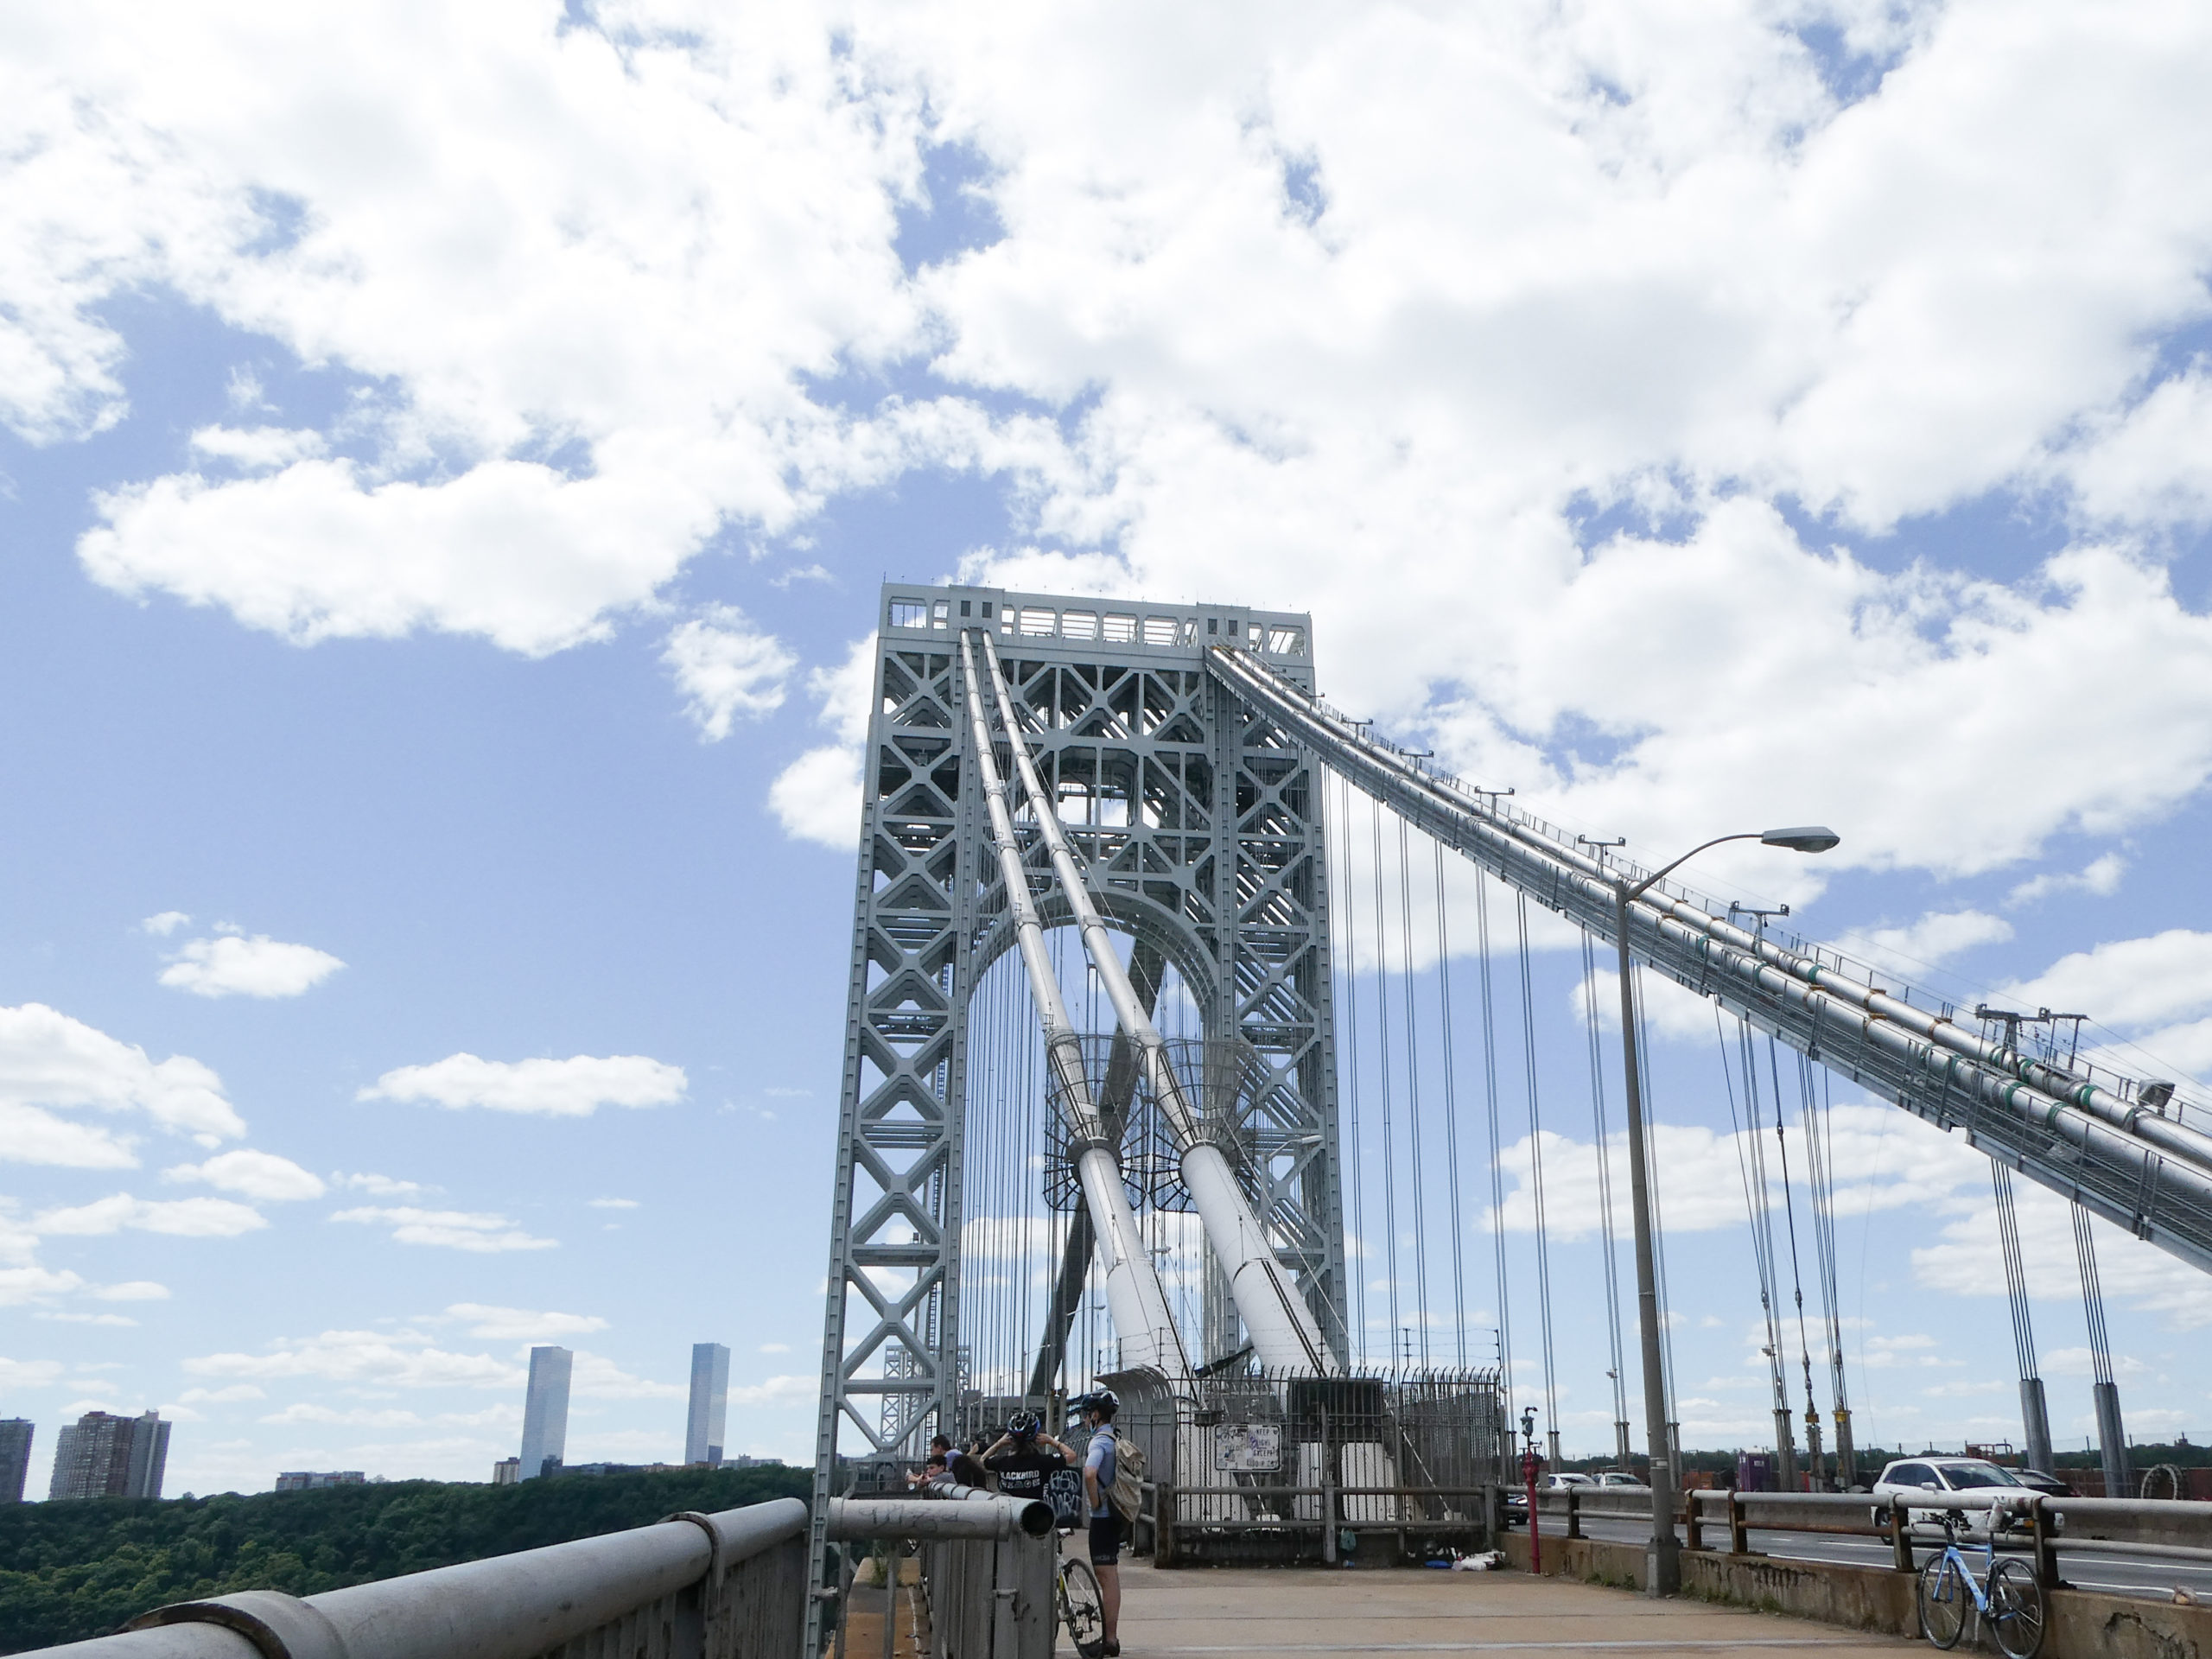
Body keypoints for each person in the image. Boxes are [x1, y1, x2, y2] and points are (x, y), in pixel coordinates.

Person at [1073, 1390, 1125, 1658]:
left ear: (1095, 1415)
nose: (1084, 1420)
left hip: (1102, 1518)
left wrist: (1094, 1502)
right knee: (1111, 1576)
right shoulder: (1116, 1437)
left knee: (1106, 1578)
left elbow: (1090, 1472)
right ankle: (1112, 1637)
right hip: (1115, 1514)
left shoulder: (1099, 1442)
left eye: (1086, 1415)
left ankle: (1110, 1639)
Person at [982, 1412, 1076, 1503]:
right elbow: (1072, 1455)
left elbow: (982, 1460)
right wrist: (1052, 1441)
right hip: (1035, 1512)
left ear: (1010, 1438)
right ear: (1036, 1437)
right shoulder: (1043, 1461)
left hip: (1007, 1511)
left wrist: (999, 1443)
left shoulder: (1002, 1462)